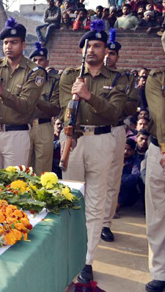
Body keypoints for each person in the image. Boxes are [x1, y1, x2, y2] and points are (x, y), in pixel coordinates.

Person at [59, 20, 128, 283]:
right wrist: (68, 130)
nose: (91, 50)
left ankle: (87, 260)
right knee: (70, 199)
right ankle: (67, 251)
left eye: (97, 46)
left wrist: (88, 96)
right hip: (73, 141)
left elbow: (114, 112)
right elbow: (64, 107)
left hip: (102, 140)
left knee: (96, 202)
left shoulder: (118, 79)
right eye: (87, 45)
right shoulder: (69, 76)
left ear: (105, 50)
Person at [0, 17, 46, 169]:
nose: (8, 46)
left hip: (17, 134)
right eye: (5, 43)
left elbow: (26, 105)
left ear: (23, 45)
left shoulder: (35, 72)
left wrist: (1, 91)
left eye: (14, 42)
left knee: (14, 187)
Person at [101, 29, 139, 243]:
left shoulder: (125, 78)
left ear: (117, 56)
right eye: (107, 52)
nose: (108, 56)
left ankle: (106, 223)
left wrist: (112, 104)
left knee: (112, 177)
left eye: (113, 54)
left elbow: (132, 105)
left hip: (115, 129)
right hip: (92, 130)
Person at [143, 51, 165, 292]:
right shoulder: (157, 77)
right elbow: (159, 114)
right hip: (159, 148)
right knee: (157, 216)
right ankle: (160, 272)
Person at [28, 42, 60, 175]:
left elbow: (55, 108)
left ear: (47, 61)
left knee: (43, 169)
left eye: (41, 59)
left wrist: (36, 99)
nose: (38, 62)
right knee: (24, 168)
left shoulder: (54, 80)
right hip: (25, 125)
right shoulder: (25, 79)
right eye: (34, 60)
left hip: (44, 125)